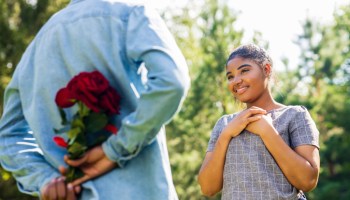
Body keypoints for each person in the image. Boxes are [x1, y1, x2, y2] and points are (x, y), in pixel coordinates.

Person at [0, 0, 190, 199]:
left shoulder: (38, 45)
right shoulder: (131, 16)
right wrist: (116, 149)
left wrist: (45, 180)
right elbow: (171, 81)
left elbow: (8, 136)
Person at [198, 44, 320, 200]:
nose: (236, 80)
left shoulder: (295, 115)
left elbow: (308, 181)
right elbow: (207, 188)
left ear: (266, 69)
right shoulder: (225, 124)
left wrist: (267, 131)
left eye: (244, 71)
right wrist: (226, 135)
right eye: (230, 76)